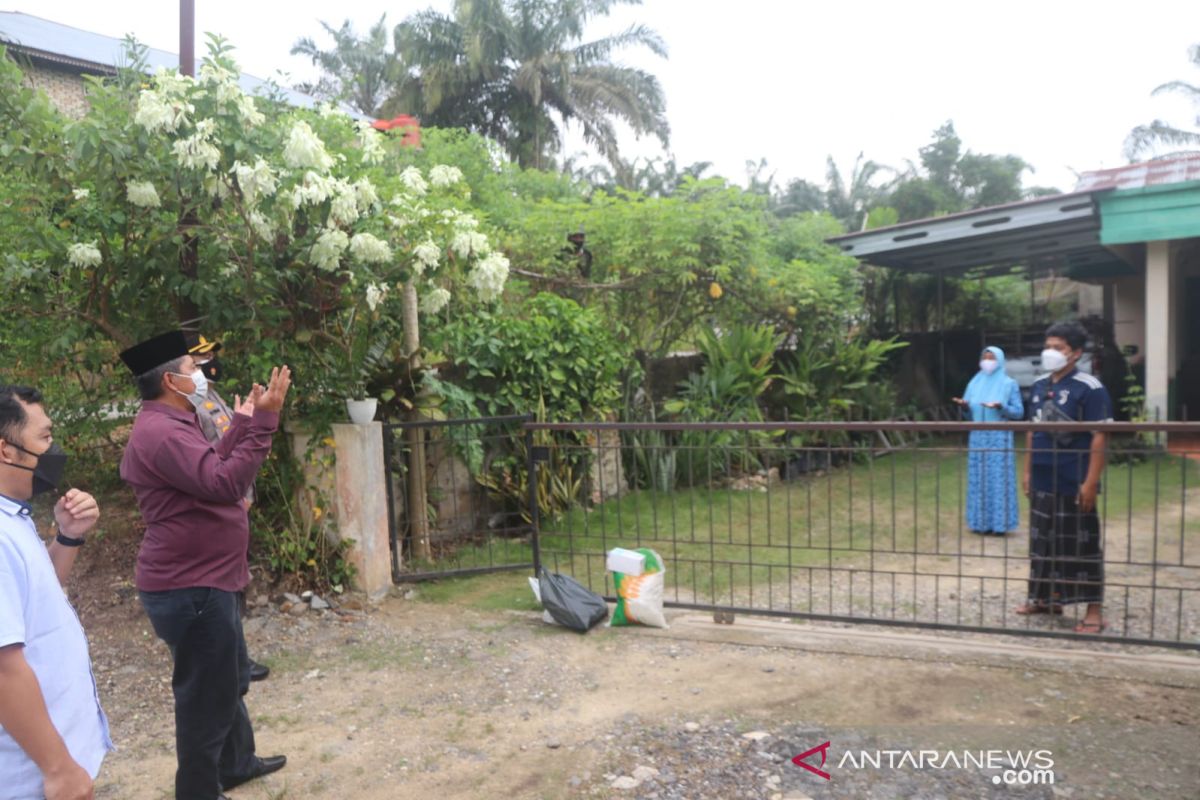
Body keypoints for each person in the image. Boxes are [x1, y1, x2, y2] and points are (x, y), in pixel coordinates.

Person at [118, 331, 291, 799]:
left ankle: (235, 764)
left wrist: (242, 424)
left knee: (225, 681)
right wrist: (266, 422)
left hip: (208, 580)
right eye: (193, 369)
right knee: (205, 702)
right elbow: (223, 483)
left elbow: (210, 460)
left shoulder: (175, 420)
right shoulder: (161, 432)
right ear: (171, 380)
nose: (202, 375)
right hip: (190, 588)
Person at [0, 384, 111, 800]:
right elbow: (2, 668)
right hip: (30, 776)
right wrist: (58, 768)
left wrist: (68, 537)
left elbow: (36, 598)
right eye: (44, 438)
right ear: (7, 450)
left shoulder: (13, 514)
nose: (54, 449)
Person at [1016, 322, 1112, 633]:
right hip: (1043, 475)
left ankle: (1093, 610)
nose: (1050, 353)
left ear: (1076, 353)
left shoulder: (1090, 387)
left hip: (1074, 477)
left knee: (1081, 542)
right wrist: (1028, 470)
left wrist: (1090, 482)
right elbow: (1034, 429)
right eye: (1048, 347)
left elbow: (1100, 436)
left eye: (1058, 348)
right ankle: (1044, 598)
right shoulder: (1040, 385)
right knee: (1043, 539)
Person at [186, 334, 268, 683]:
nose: (210, 363)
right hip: (216, 504)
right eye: (200, 359)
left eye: (210, 356)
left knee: (232, 584)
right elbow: (209, 459)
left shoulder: (211, 396)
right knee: (223, 587)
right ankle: (234, 664)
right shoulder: (191, 405)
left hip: (234, 499)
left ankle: (237, 660)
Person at [952, 346, 1023, 535]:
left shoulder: (1009, 384)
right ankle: (979, 523)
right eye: (985, 357)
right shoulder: (974, 383)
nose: (988, 361)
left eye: (992, 358)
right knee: (979, 478)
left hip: (998, 435)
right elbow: (969, 412)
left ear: (999, 360)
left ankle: (1000, 524)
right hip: (977, 436)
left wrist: (1001, 407)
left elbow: (1018, 412)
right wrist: (965, 406)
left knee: (998, 479)